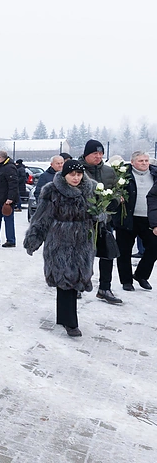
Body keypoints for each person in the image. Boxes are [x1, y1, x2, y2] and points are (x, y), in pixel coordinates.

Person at [24, 160, 98, 337]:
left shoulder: (92, 189)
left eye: (79, 174)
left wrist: (102, 213)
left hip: (83, 243)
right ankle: (71, 323)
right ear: (64, 174)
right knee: (64, 280)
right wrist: (34, 238)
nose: (76, 178)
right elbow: (42, 217)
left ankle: (63, 317)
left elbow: (97, 214)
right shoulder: (52, 190)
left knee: (76, 280)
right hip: (59, 242)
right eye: (72, 174)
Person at [79, 139, 122, 304]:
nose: (98, 156)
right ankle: (78, 284)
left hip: (104, 221)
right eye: (94, 153)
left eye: (100, 153)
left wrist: (115, 201)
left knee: (107, 254)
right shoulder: (78, 170)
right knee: (82, 255)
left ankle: (105, 288)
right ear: (86, 154)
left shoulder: (109, 172)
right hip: (83, 221)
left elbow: (118, 191)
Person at [113, 151, 157, 291]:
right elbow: (112, 190)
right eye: (140, 161)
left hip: (149, 219)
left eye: (146, 160)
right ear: (132, 162)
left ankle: (141, 275)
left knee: (154, 247)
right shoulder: (122, 174)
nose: (144, 163)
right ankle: (126, 280)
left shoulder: (155, 174)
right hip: (127, 218)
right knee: (124, 250)